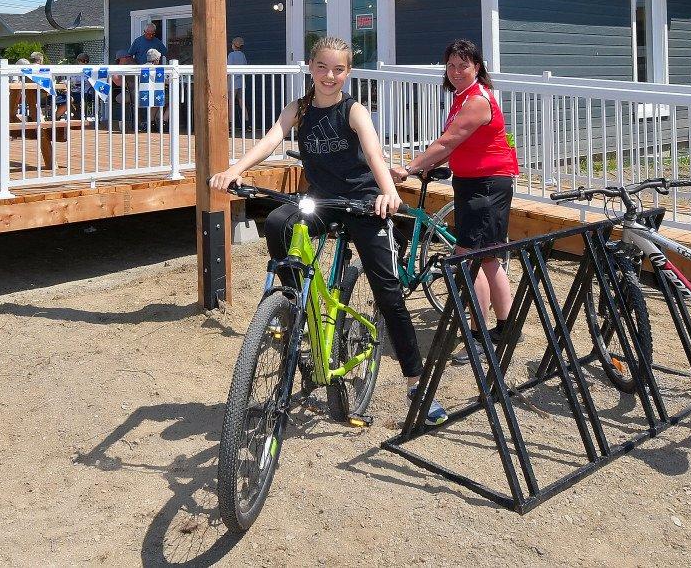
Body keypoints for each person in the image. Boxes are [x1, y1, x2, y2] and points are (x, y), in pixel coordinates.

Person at [211, 35, 447, 425]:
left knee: (388, 293)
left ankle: (415, 383)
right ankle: (290, 303)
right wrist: (236, 170)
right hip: (320, 199)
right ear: (310, 66)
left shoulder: (354, 111)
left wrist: (389, 194)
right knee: (276, 221)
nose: (329, 75)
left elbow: (374, 154)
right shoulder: (299, 109)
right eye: (322, 67)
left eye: (338, 69)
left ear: (348, 73)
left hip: (363, 200)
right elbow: (272, 139)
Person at [392, 38, 518, 346]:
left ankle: (481, 332)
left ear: (477, 67)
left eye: (464, 65)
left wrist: (409, 168)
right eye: (451, 65)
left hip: (486, 185)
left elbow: (448, 141)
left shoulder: (477, 100)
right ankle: (502, 327)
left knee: (471, 259)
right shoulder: (463, 97)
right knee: (486, 257)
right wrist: (427, 164)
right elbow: (457, 144)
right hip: (475, 182)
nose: (456, 71)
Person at [227, 36, 248, 128]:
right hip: (241, 82)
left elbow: (228, 69)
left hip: (232, 82)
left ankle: (230, 124)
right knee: (242, 103)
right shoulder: (242, 55)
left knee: (231, 103)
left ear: (234, 45)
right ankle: (247, 124)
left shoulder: (231, 55)